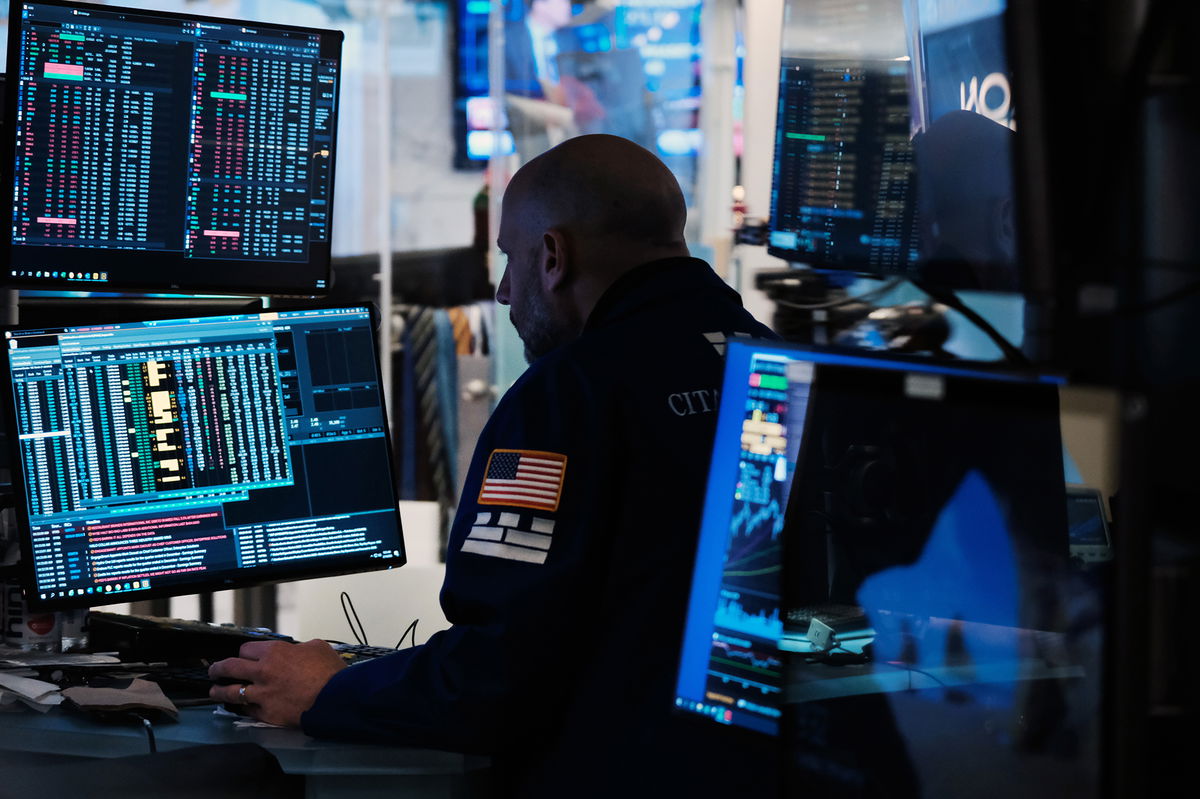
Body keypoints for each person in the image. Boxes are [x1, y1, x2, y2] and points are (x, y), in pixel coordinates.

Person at [209, 134, 778, 795]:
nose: (506, 291)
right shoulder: (779, 364)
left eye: (510, 258)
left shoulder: (567, 395)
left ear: (554, 256)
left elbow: (495, 673)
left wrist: (330, 691)